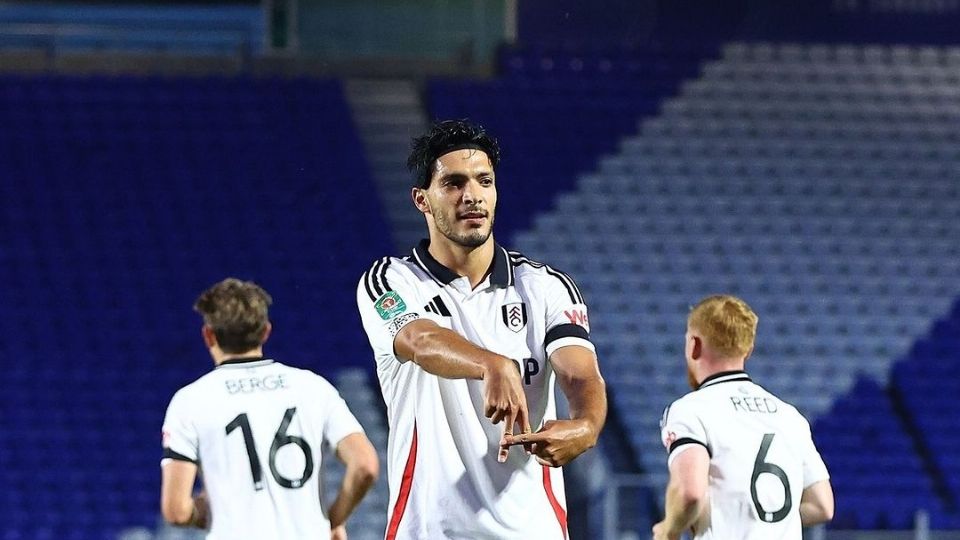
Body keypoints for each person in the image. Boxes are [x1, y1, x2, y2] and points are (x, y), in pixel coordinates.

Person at [356, 119, 607, 539]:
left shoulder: (545, 286)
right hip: (432, 530)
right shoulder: (391, 280)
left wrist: (586, 426)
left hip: (533, 530)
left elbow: (581, 374)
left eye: (483, 181)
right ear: (422, 200)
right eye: (453, 183)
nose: (471, 195)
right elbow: (419, 339)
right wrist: (492, 364)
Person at [160, 278, 379, 540]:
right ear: (266, 331)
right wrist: (332, 519)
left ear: (208, 335)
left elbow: (176, 511)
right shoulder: (312, 387)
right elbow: (365, 465)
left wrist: (200, 511)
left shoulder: (191, 401)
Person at [654, 294, 834, 540]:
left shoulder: (691, 410)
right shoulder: (790, 416)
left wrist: (668, 531)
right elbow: (822, 505)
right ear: (748, 351)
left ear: (694, 345)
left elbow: (690, 493)